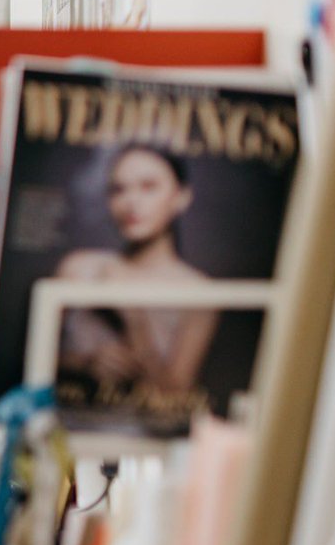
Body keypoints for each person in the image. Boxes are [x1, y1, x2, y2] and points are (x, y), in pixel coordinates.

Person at [55, 145, 217, 396]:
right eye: (118, 190)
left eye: (148, 187)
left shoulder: (199, 291)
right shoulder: (78, 267)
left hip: (146, 431)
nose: (131, 202)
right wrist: (84, 364)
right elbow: (32, 360)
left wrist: (135, 322)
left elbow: (175, 394)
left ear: (181, 197)